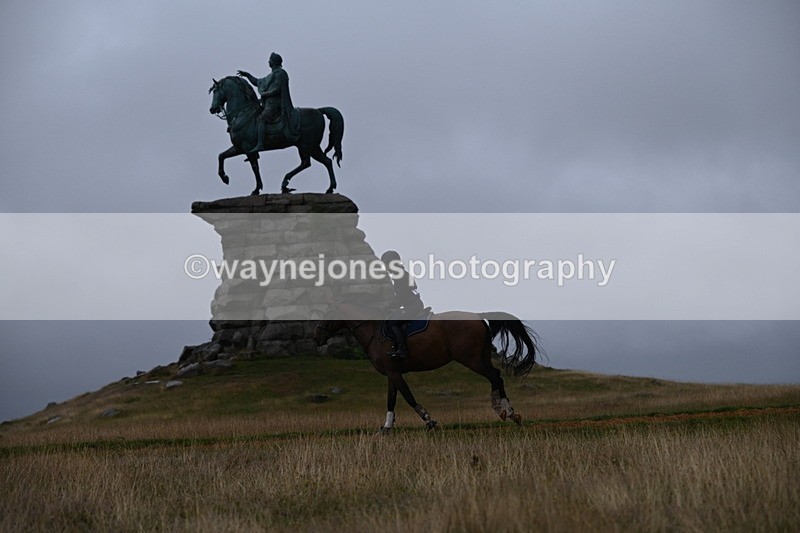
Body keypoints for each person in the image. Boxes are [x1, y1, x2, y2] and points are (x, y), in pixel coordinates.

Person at [237, 52, 301, 151]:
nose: (268, 62)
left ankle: (261, 144)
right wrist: (247, 75)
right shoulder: (271, 75)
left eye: (270, 60)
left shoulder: (280, 73)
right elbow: (258, 82)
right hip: (269, 104)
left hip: (275, 104)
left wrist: (265, 94)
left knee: (261, 119)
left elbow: (277, 89)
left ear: (274, 62)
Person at [381, 250, 426, 358]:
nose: (385, 267)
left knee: (392, 323)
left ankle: (402, 349)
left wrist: (386, 307)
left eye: (385, 264)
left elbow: (400, 298)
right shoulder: (403, 273)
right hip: (414, 305)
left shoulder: (399, 276)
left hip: (412, 307)